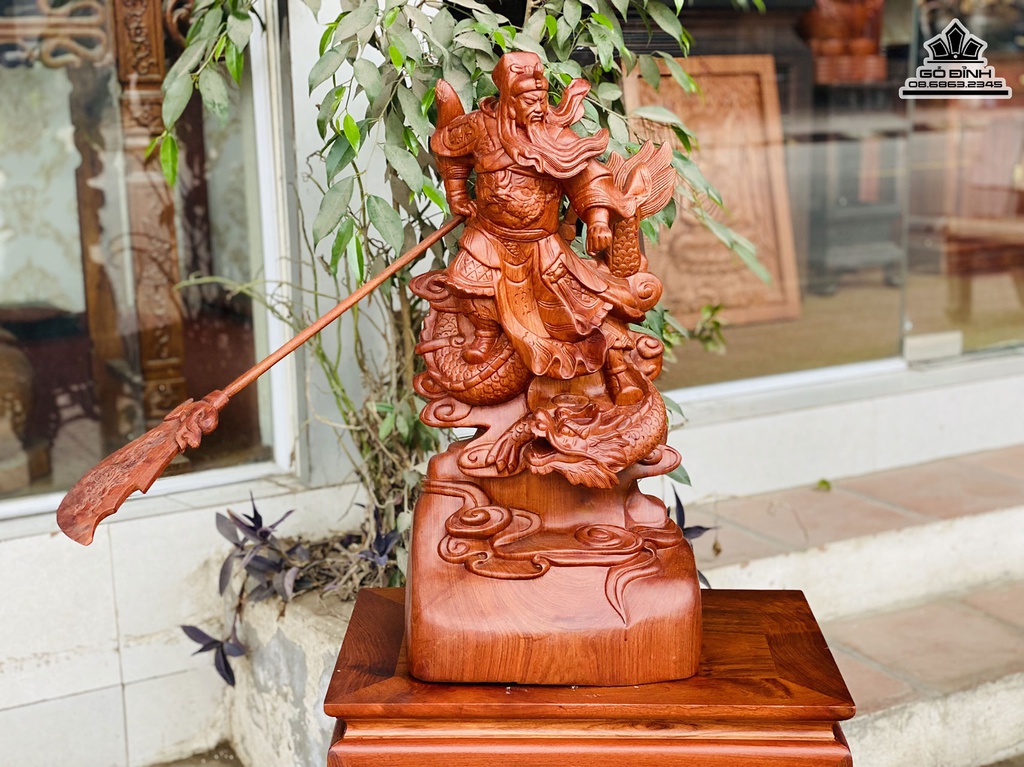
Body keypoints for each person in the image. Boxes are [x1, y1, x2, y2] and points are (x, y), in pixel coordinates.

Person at [430, 52, 664, 406]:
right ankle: (486, 333)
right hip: (490, 237)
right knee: (469, 284)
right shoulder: (479, 127)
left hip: (542, 244)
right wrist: (457, 194)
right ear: (508, 99)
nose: (538, 107)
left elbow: (588, 178)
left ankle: (615, 369)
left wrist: (598, 220)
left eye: (541, 99)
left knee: (581, 311)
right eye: (528, 100)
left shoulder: (554, 135)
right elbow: (450, 151)